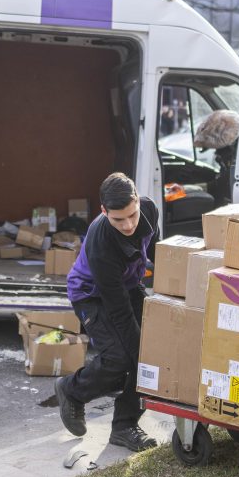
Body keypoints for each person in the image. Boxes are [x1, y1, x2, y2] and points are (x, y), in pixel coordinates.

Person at [55, 172, 160, 452]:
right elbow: (119, 311)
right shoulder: (100, 242)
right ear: (104, 212)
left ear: (138, 201)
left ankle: (125, 426)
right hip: (92, 295)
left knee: (149, 354)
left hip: (127, 284)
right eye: (118, 219)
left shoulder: (149, 209)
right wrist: (139, 352)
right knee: (121, 358)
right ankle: (72, 390)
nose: (127, 225)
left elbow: (154, 251)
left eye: (132, 215)